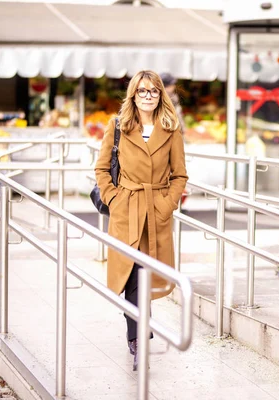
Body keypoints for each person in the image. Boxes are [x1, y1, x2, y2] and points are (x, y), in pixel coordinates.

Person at [94, 70, 188, 371]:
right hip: (127, 209)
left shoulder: (171, 128)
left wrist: (166, 205)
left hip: (155, 210)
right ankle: (137, 340)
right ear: (133, 95)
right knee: (131, 273)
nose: (148, 96)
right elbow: (101, 169)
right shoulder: (118, 126)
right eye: (143, 91)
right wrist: (113, 198)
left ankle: (139, 331)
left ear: (161, 95)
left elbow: (180, 174)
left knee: (146, 271)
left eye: (154, 91)